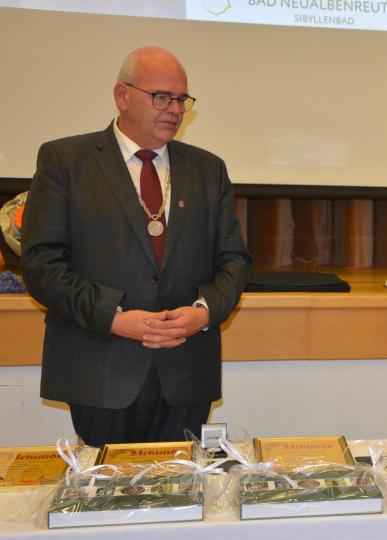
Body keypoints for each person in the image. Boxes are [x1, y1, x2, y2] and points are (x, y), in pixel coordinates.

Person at [21, 46, 252, 447]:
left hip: (185, 371)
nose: (175, 110)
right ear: (122, 96)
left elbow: (234, 260)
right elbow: (42, 265)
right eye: (162, 97)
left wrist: (203, 312)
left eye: (182, 100)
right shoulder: (65, 160)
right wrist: (114, 317)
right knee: (107, 501)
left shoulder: (208, 169)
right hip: (101, 367)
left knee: (180, 496)